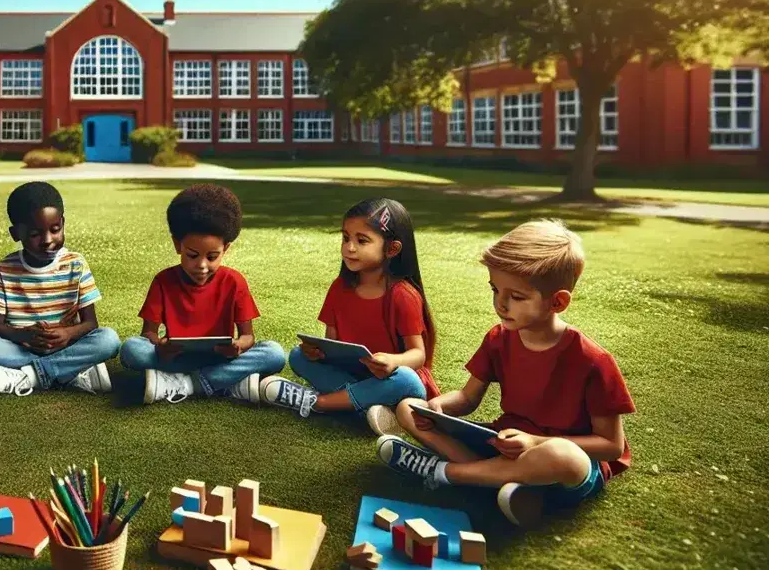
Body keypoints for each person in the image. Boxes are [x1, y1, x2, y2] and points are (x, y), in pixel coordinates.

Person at [379, 219, 635, 527]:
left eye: (516, 296)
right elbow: (467, 397)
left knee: (560, 454)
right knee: (409, 407)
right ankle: (505, 485)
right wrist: (439, 408)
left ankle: (445, 472)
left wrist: (535, 442)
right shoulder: (499, 339)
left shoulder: (593, 360)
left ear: (558, 301)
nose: (500, 303)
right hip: (504, 443)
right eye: (495, 289)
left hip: (567, 464)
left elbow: (611, 446)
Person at [259, 197, 437, 436]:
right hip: (352, 373)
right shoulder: (339, 288)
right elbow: (332, 344)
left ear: (392, 249)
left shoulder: (403, 295)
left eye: (361, 240)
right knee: (298, 355)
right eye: (345, 238)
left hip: (390, 378)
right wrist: (318, 353)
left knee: (407, 379)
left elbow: (418, 355)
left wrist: (393, 361)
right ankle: (368, 409)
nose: (349, 248)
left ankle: (319, 403)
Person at [119, 184, 285, 404]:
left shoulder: (234, 281)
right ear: (178, 245)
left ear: (226, 249)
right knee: (132, 349)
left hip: (220, 359)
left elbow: (248, 337)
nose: (202, 265)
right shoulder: (163, 281)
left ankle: (185, 384)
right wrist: (161, 345)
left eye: (212, 256)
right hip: (178, 359)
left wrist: (238, 346)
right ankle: (229, 383)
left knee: (274, 353)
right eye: (193, 255)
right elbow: (147, 334)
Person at [0, 181, 120, 397]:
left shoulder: (76, 264)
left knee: (109, 339)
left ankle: (28, 376)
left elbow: (91, 324)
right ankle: (69, 372)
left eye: (55, 229)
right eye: (34, 234)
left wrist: (67, 333)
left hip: (66, 345)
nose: (47, 240)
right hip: (22, 347)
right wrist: (25, 335)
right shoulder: (6, 269)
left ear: (63, 223)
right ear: (15, 233)